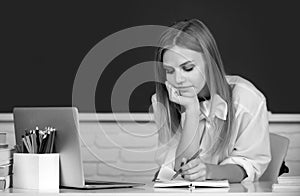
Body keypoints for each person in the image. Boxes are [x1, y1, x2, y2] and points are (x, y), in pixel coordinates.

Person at [151, 19, 271, 183]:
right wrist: (191, 111)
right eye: (169, 71)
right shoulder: (162, 101)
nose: (178, 79)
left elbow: (249, 166)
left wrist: (210, 171)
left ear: (210, 63)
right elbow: (180, 169)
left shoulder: (246, 100)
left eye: (188, 68)